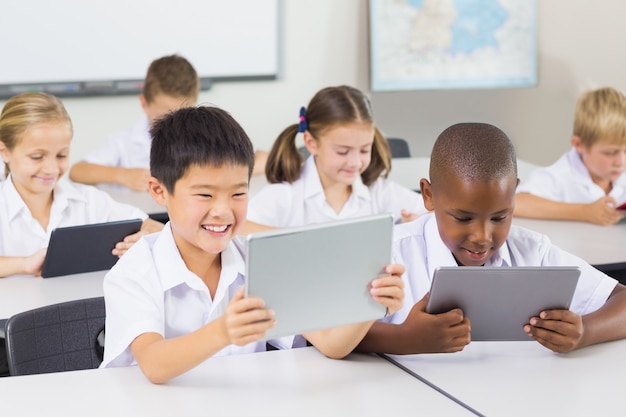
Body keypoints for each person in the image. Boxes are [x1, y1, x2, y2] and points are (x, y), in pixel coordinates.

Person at [99, 105, 405, 384]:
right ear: (158, 191)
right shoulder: (136, 270)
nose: (223, 210)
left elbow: (331, 343)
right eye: (205, 195)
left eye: (238, 194)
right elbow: (154, 364)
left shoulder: (259, 260)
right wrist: (222, 332)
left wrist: (370, 303)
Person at [357, 122, 626, 355]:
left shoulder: (534, 253)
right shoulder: (390, 255)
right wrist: (403, 339)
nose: (482, 238)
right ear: (428, 195)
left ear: (514, 194)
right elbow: (324, 332)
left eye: (499, 218)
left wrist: (585, 332)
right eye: (463, 218)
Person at [0, 92, 163, 279]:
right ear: (4, 152)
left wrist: (146, 238)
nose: (51, 168)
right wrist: (24, 264)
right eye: (37, 157)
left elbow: (155, 227)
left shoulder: (89, 201)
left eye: (61, 155)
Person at [69, 54, 268, 193]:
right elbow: (77, 171)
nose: (173, 123)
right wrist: (123, 175)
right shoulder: (123, 143)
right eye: (164, 115)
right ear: (144, 103)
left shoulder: (206, 139)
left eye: (181, 113)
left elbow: (265, 159)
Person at [242, 85, 427, 233]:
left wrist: (417, 223)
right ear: (311, 142)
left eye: (364, 150)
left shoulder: (379, 192)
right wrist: (296, 240)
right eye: (342, 152)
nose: (355, 162)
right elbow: (239, 227)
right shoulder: (286, 195)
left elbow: (433, 213)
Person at [515, 87, 626, 225]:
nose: (621, 162)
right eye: (610, 153)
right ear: (579, 144)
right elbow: (516, 203)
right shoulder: (559, 176)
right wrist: (585, 212)